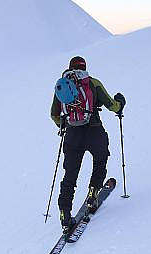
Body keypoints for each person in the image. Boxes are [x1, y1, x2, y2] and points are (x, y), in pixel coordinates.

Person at [50, 56, 125, 235]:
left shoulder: (62, 86)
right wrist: (120, 103)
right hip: (94, 130)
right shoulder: (92, 83)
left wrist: (65, 124)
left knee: (70, 175)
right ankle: (93, 193)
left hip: (72, 135)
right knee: (100, 159)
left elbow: (54, 114)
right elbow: (112, 105)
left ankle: (65, 214)